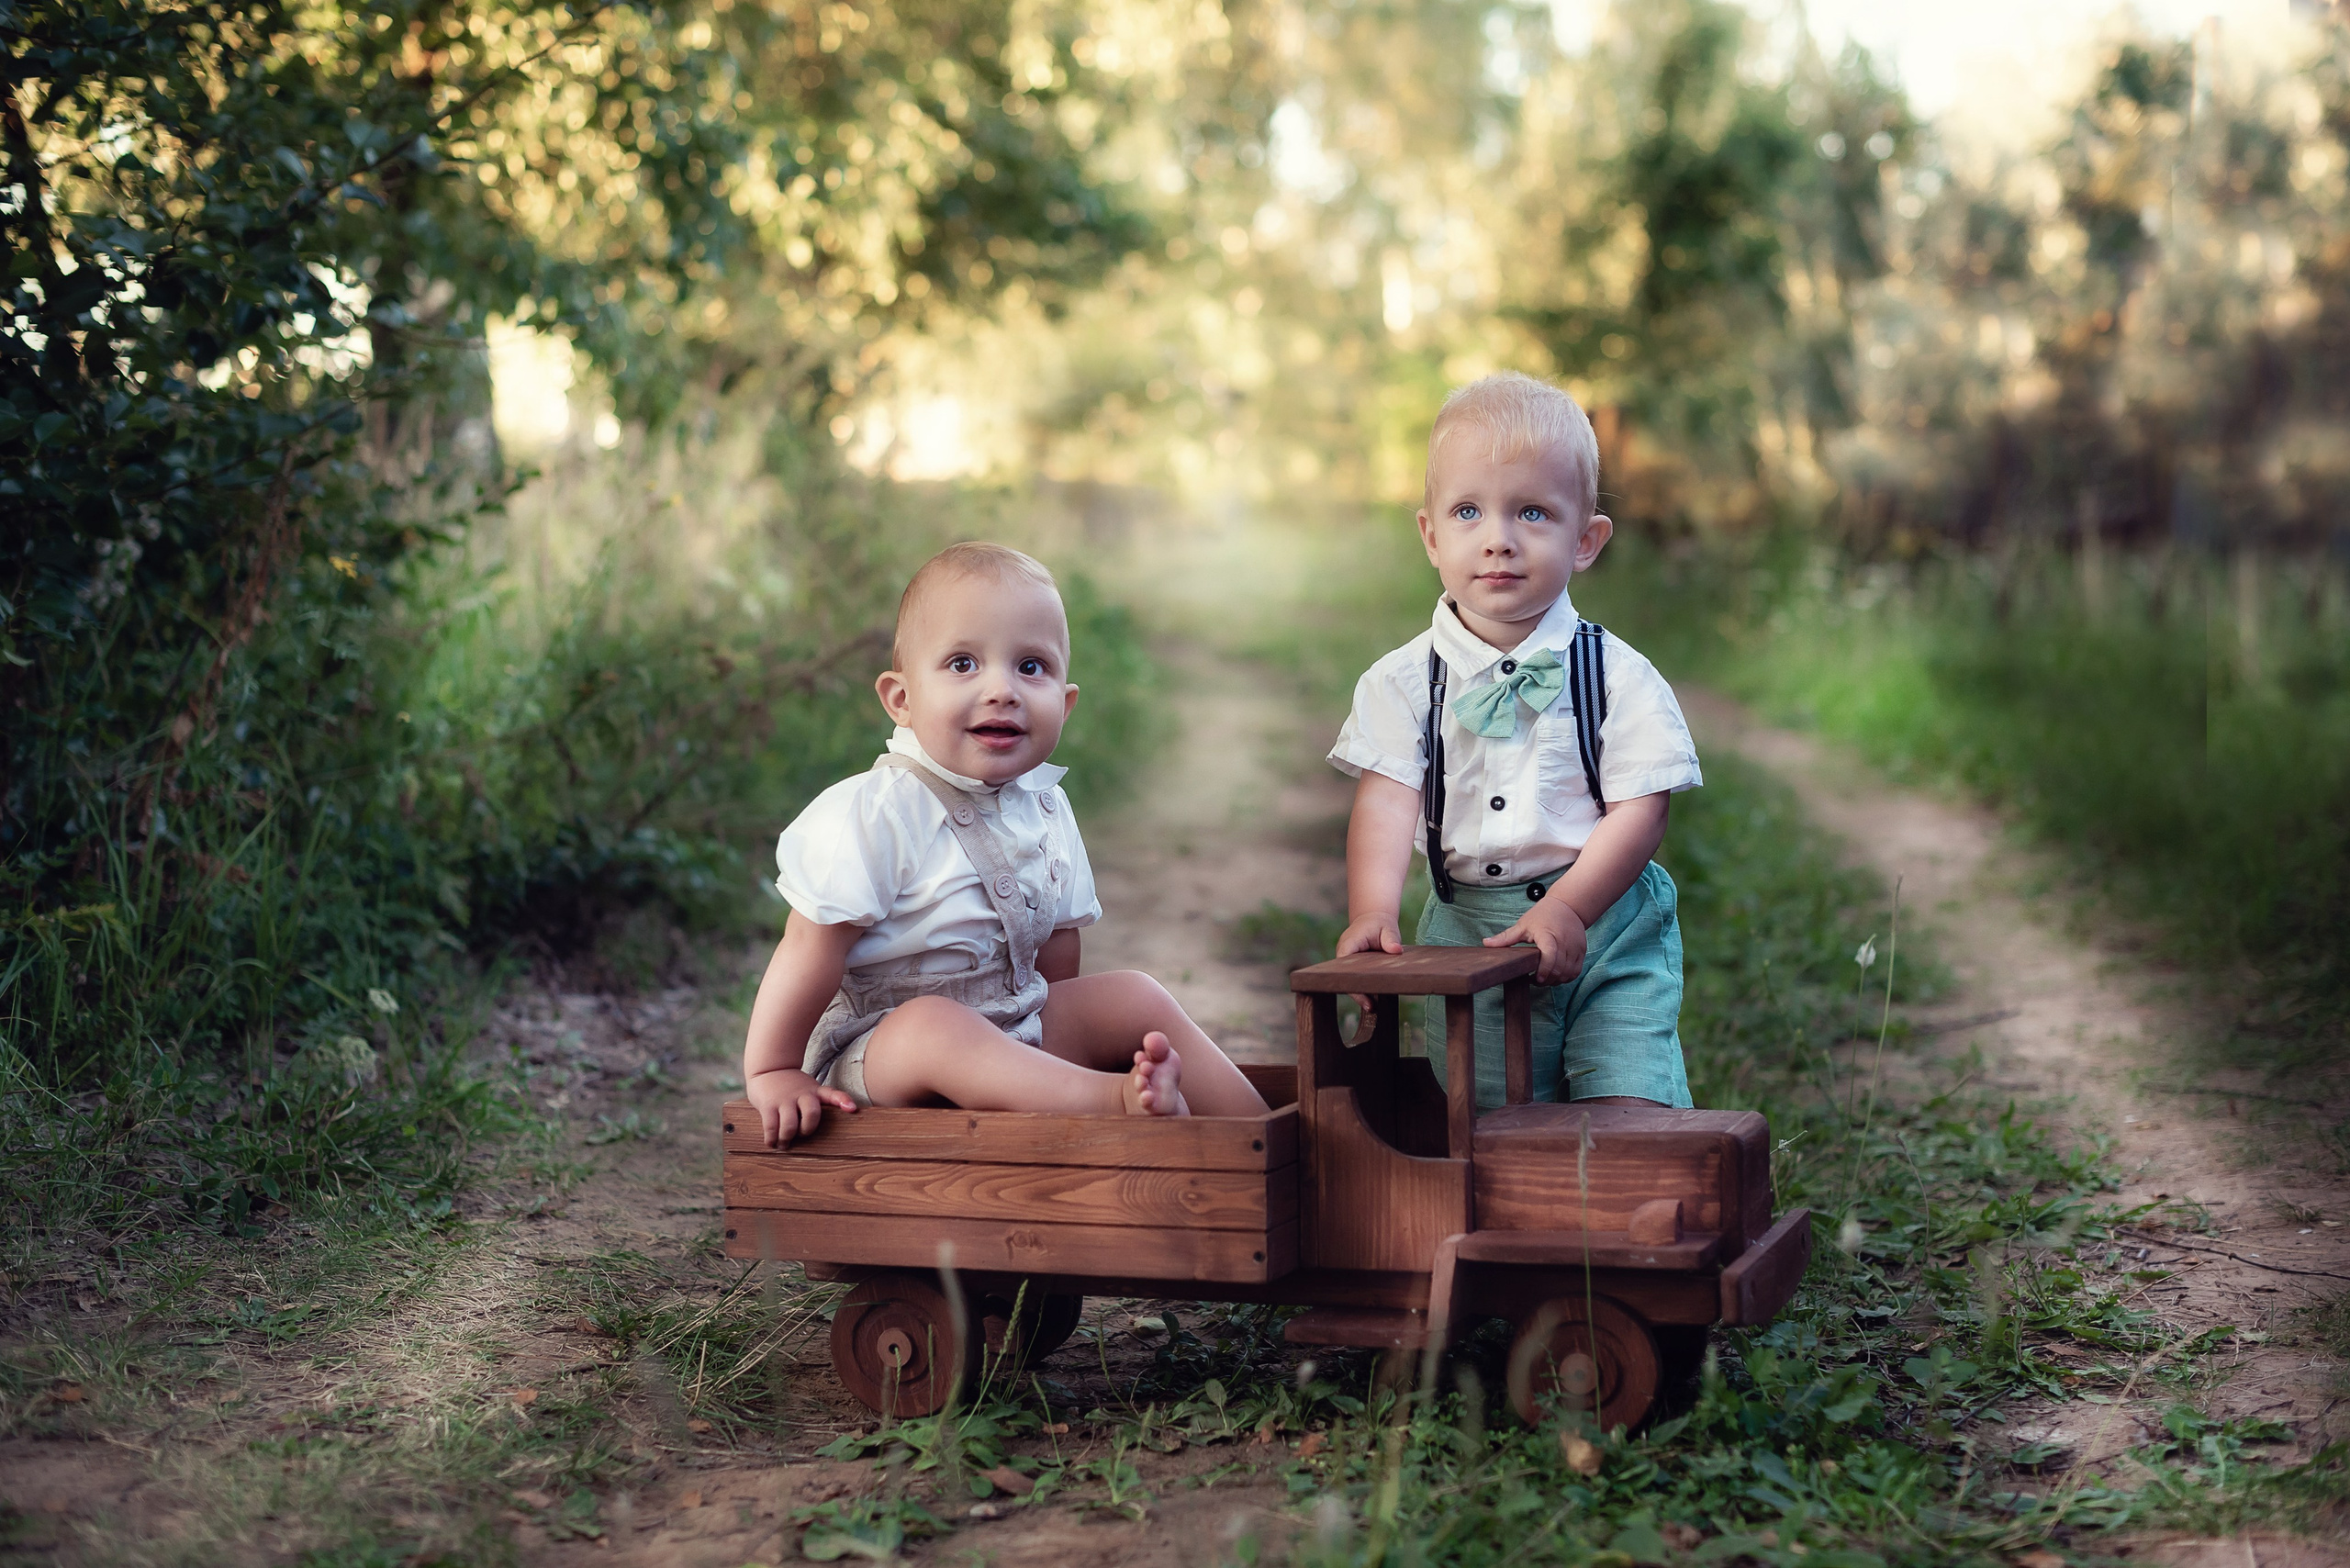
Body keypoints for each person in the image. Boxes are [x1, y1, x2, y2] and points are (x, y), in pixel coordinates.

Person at [742, 542, 1270, 1147]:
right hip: (881, 1051)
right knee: (935, 1027)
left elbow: (1057, 949)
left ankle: (1267, 1137)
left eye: (1031, 667)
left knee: (1134, 995)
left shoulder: (1044, 805)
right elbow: (810, 943)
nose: (1002, 689)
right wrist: (774, 1069)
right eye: (963, 664)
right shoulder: (880, 811)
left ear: (1064, 706)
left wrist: (1069, 1043)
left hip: (1011, 1028)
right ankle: (1110, 1103)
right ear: (902, 699)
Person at [1328, 373, 1701, 1109]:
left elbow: (1642, 808)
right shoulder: (1401, 683)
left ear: (1586, 539)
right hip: (1470, 934)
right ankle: (1524, 1219)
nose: (1498, 540)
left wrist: (1571, 908)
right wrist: (1372, 910)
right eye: (1469, 511)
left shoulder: (1619, 676)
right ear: (1432, 536)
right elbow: (1387, 799)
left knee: (1629, 1093)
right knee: (1487, 1114)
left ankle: (1627, 1205)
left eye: (1532, 512)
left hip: (1608, 924)